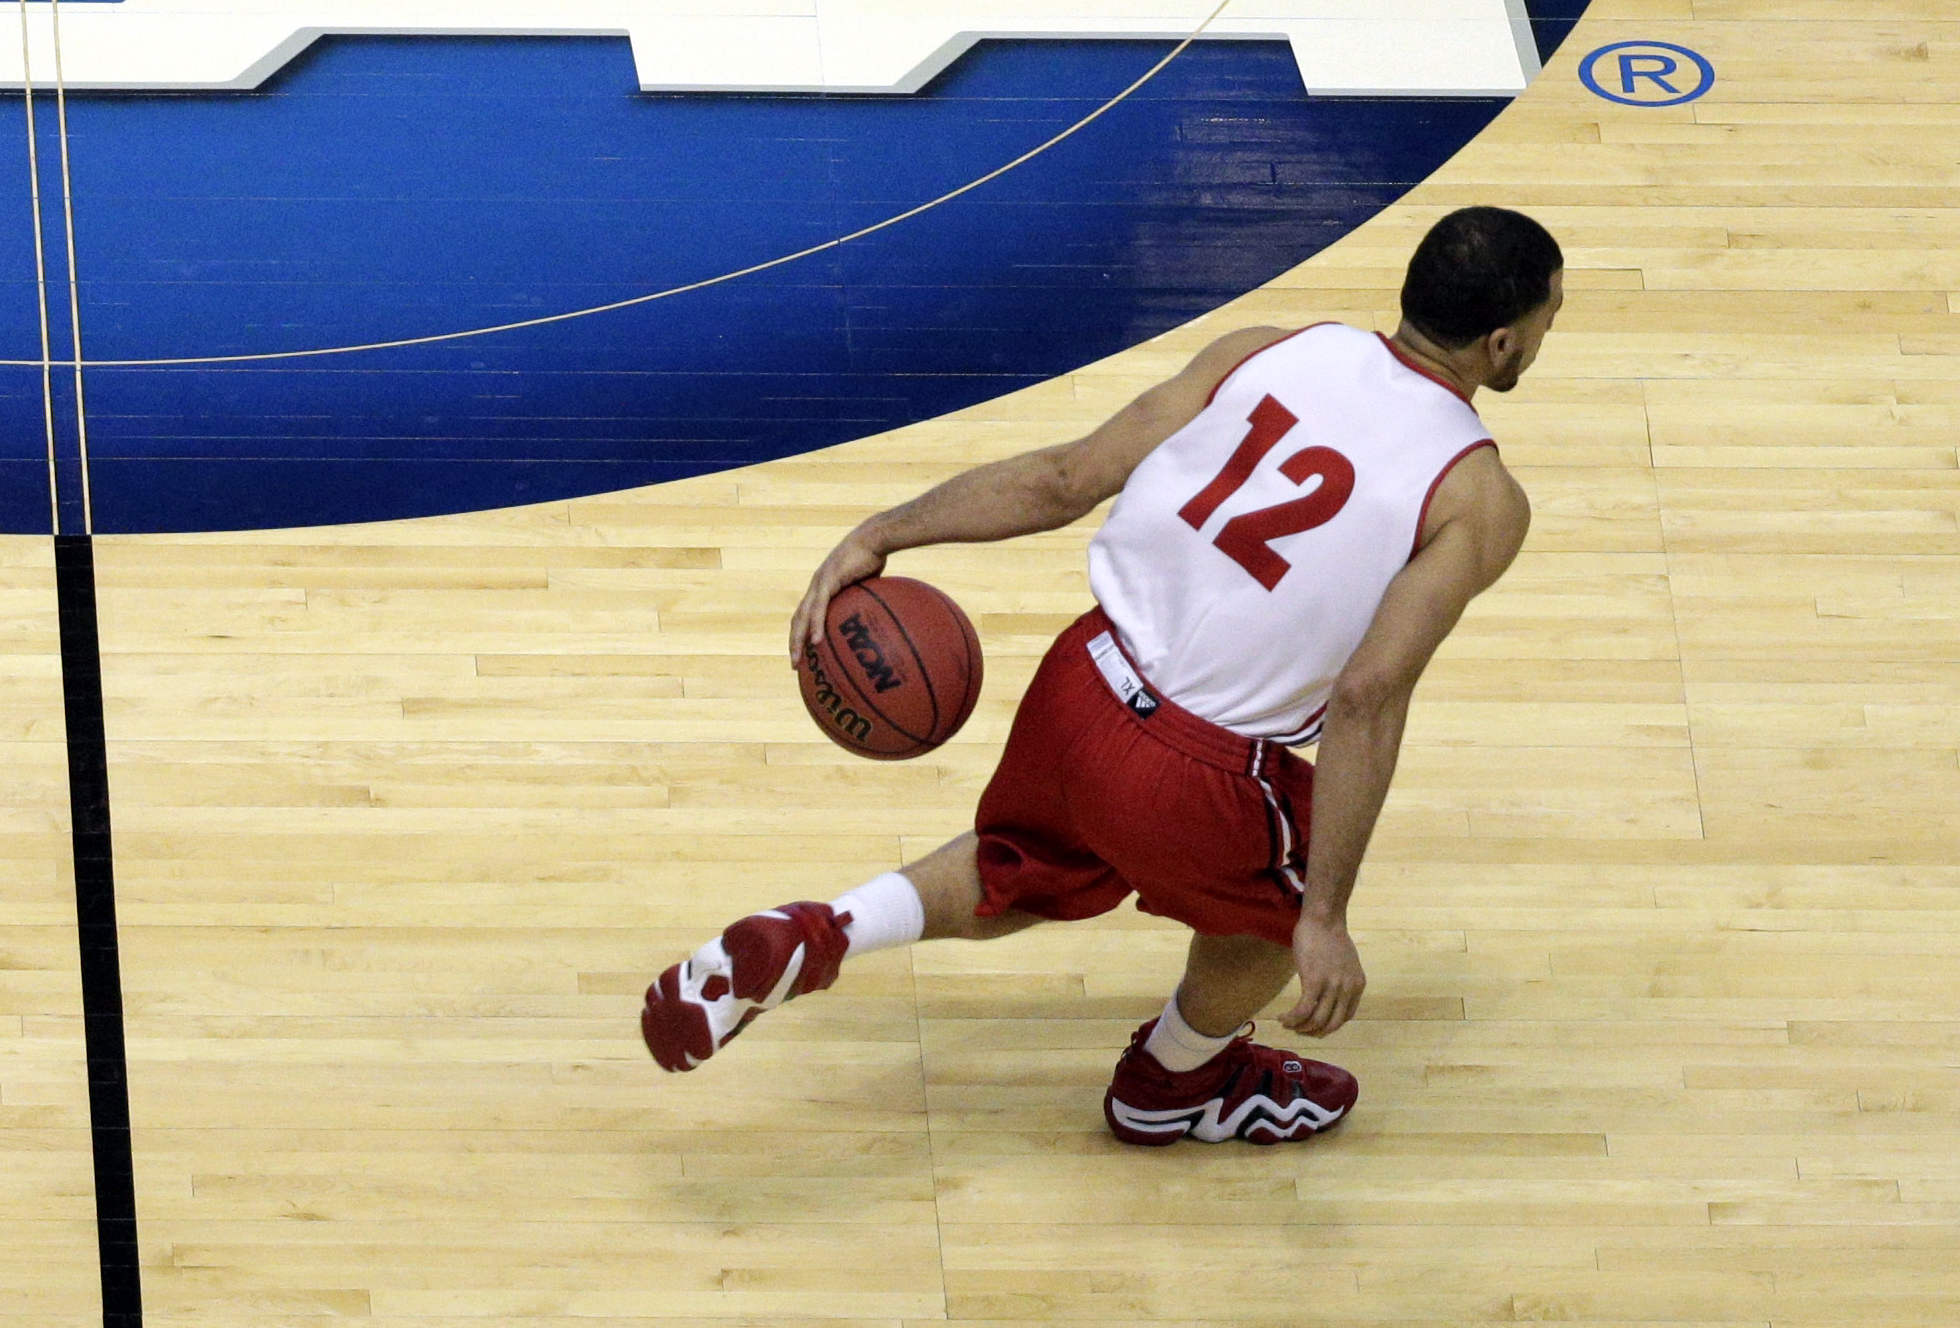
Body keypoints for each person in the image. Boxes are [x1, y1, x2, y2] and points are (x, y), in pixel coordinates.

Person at [639, 205, 1562, 1146]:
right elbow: (1368, 693)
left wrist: (881, 533)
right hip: (1204, 768)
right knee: (1272, 920)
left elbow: (1064, 478)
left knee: (1023, 869)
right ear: (1500, 342)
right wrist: (1322, 916)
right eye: (1546, 320)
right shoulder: (1478, 498)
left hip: (1082, 678)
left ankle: (827, 929)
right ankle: (1175, 1080)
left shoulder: (1268, 349)